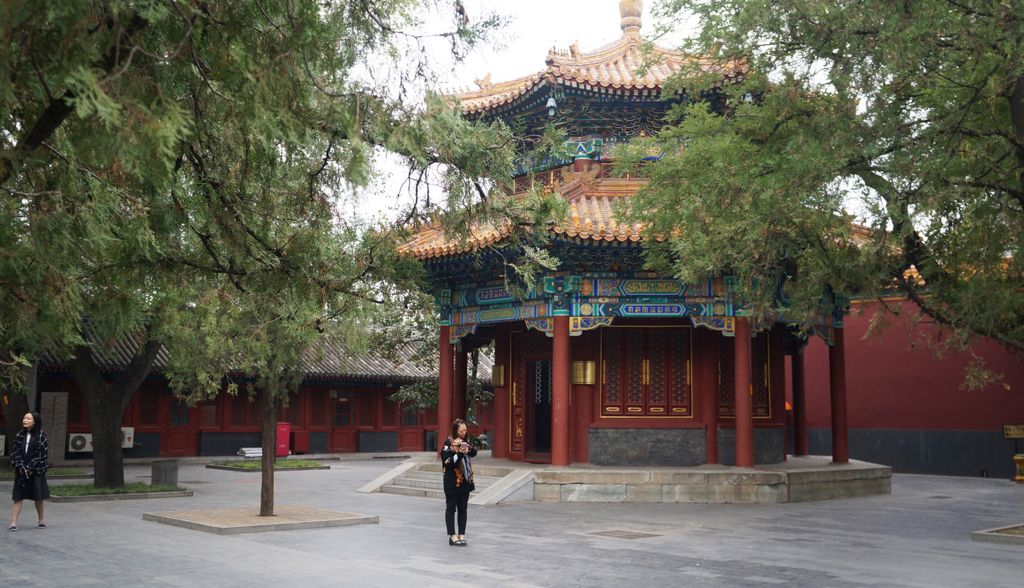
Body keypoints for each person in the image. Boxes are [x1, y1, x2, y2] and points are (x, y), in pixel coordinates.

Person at [9, 411, 50, 531]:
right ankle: (13, 522)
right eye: (24, 418)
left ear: (35, 421)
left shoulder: (41, 436)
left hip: (36, 471)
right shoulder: (19, 435)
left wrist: (30, 467)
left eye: (28, 418)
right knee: (18, 497)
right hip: (21, 471)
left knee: (38, 497)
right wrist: (21, 466)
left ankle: (41, 520)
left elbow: (41, 455)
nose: (25, 420)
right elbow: (14, 451)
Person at [441, 418, 476, 546]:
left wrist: (468, 450)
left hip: (465, 481)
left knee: (463, 509)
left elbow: (474, 452)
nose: (464, 433)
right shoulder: (448, 443)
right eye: (462, 431)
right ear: (456, 430)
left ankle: (462, 534)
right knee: (451, 508)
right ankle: (452, 535)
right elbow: (448, 461)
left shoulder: (466, 442)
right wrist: (460, 454)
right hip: (452, 482)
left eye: (465, 430)